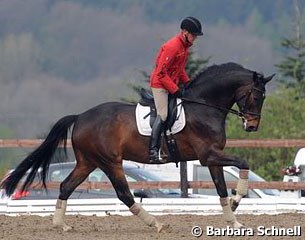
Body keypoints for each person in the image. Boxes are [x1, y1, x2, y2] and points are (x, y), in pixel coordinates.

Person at [149, 16, 203, 163]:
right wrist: (175, 89)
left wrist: (188, 83)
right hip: (160, 85)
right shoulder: (172, 47)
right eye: (193, 35)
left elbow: (180, 70)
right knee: (163, 114)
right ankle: (153, 150)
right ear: (184, 32)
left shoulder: (184, 48)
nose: (195, 38)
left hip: (170, 83)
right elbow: (161, 73)